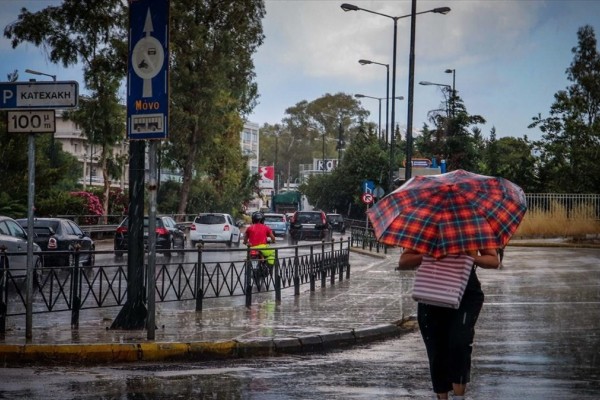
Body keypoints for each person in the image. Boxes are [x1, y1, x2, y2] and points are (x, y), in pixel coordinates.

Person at [398, 247, 500, 400]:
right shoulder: (428, 225)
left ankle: (459, 396)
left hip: (465, 294)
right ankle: (442, 396)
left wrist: (470, 257)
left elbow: (493, 260)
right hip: (431, 293)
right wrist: (429, 254)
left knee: (460, 343)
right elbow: (404, 261)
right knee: (436, 349)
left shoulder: (474, 225)